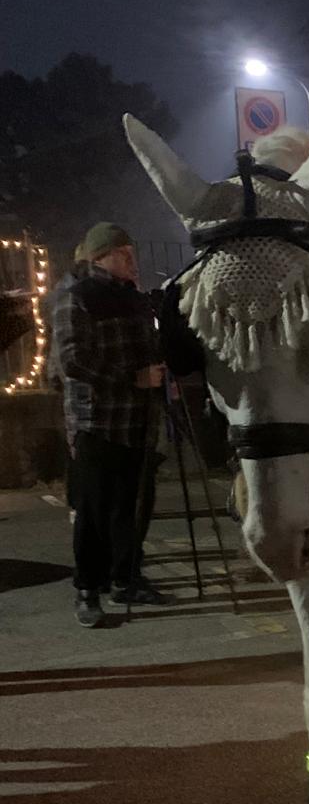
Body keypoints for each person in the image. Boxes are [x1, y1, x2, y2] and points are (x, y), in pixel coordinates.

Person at [50, 223, 171, 627]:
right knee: (94, 511)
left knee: (133, 507)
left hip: (139, 422)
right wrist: (132, 378)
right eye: (122, 253)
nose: (132, 260)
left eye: (132, 251)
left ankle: (128, 577)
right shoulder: (77, 298)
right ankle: (88, 587)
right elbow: (72, 360)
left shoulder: (134, 299)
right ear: (98, 258)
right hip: (97, 422)